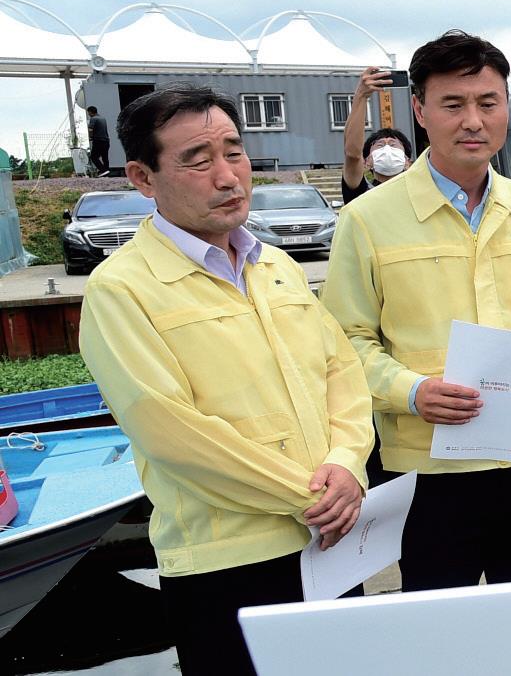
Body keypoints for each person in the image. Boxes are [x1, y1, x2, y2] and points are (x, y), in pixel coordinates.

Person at [78, 83, 372, 676]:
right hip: (226, 562)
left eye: (234, 152)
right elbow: (173, 433)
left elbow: (342, 372)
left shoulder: (277, 266)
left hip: (329, 547)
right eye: (197, 159)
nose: (227, 176)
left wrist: (347, 461)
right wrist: (315, 497)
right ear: (142, 176)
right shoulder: (122, 290)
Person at [321, 30, 511, 590]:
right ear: (420, 110)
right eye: (453, 104)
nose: (473, 121)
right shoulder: (368, 220)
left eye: (488, 103)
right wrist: (410, 389)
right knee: (438, 631)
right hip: (428, 471)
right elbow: (341, 343)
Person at [341, 66, 411, 206]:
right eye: (379, 145)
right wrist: (361, 96)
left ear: (407, 162)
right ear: (367, 162)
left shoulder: (419, 193)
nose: (387, 149)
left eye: (393, 144)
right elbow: (352, 153)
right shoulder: (361, 191)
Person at [86, 105, 110, 176]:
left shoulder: (93, 119)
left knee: (93, 157)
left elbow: (90, 129)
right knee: (105, 157)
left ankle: (103, 170)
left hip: (98, 141)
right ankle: (107, 172)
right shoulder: (103, 118)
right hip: (106, 140)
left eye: (88, 113)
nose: (88, 114)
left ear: (90, 112)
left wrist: (90, 137)